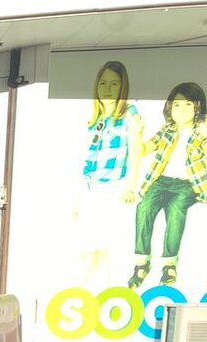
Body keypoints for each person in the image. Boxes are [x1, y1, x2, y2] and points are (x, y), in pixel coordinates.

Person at [128, 82, 207, 288]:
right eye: (177, 105)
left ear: (198, 107)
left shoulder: (202, 130)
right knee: (144, 207)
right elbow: (144, 149)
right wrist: (137, 133)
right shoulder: (167, 130)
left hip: (187, 184)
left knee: (176, 211)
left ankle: (169, 265)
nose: (181, 110)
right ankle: (141, 263)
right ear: (169, 107)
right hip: (162, 181)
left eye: (187, 104)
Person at [78, 61, 143, 286]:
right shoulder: (94, 117)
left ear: (122, 86)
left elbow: (136, 152)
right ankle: (85, 290)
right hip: (90, 185)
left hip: (112, 186)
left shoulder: (130, 116)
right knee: (88, 244)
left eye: (114, 83)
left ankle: (104, 290)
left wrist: (131, 186)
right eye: (103, 83)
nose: (107, 88)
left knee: (104, 245)